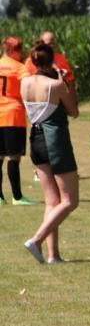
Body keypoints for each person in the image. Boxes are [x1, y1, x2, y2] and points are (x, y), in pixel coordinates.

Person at [20, 42, 80, 264]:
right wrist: (67, 82)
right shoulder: (56, 85)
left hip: (35, 140)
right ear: (52, 60)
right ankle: (36, 240)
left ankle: (53, 255)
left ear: (33, 60)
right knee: (70, 200)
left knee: (51, 201)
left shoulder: (24, 82)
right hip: (55, 142)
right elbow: (73, 110)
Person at [0, 36, 34, 206]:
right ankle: (17, 197)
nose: (21, 52)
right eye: (19, 49)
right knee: (14, 157)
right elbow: (29, 90)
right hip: (13, 114)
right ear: (12, 50)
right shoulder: (20, 68)